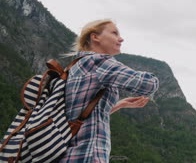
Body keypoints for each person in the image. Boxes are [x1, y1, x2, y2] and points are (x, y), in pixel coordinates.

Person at [59, 19, 159, 163]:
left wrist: (120, 104)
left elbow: (80, 115)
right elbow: (147, 85)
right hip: (88, 155)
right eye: (114, 33)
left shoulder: (73, 68)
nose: (121, 38)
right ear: (95, 37)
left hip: (67, 156)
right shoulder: (98, 61)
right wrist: (156, 77)